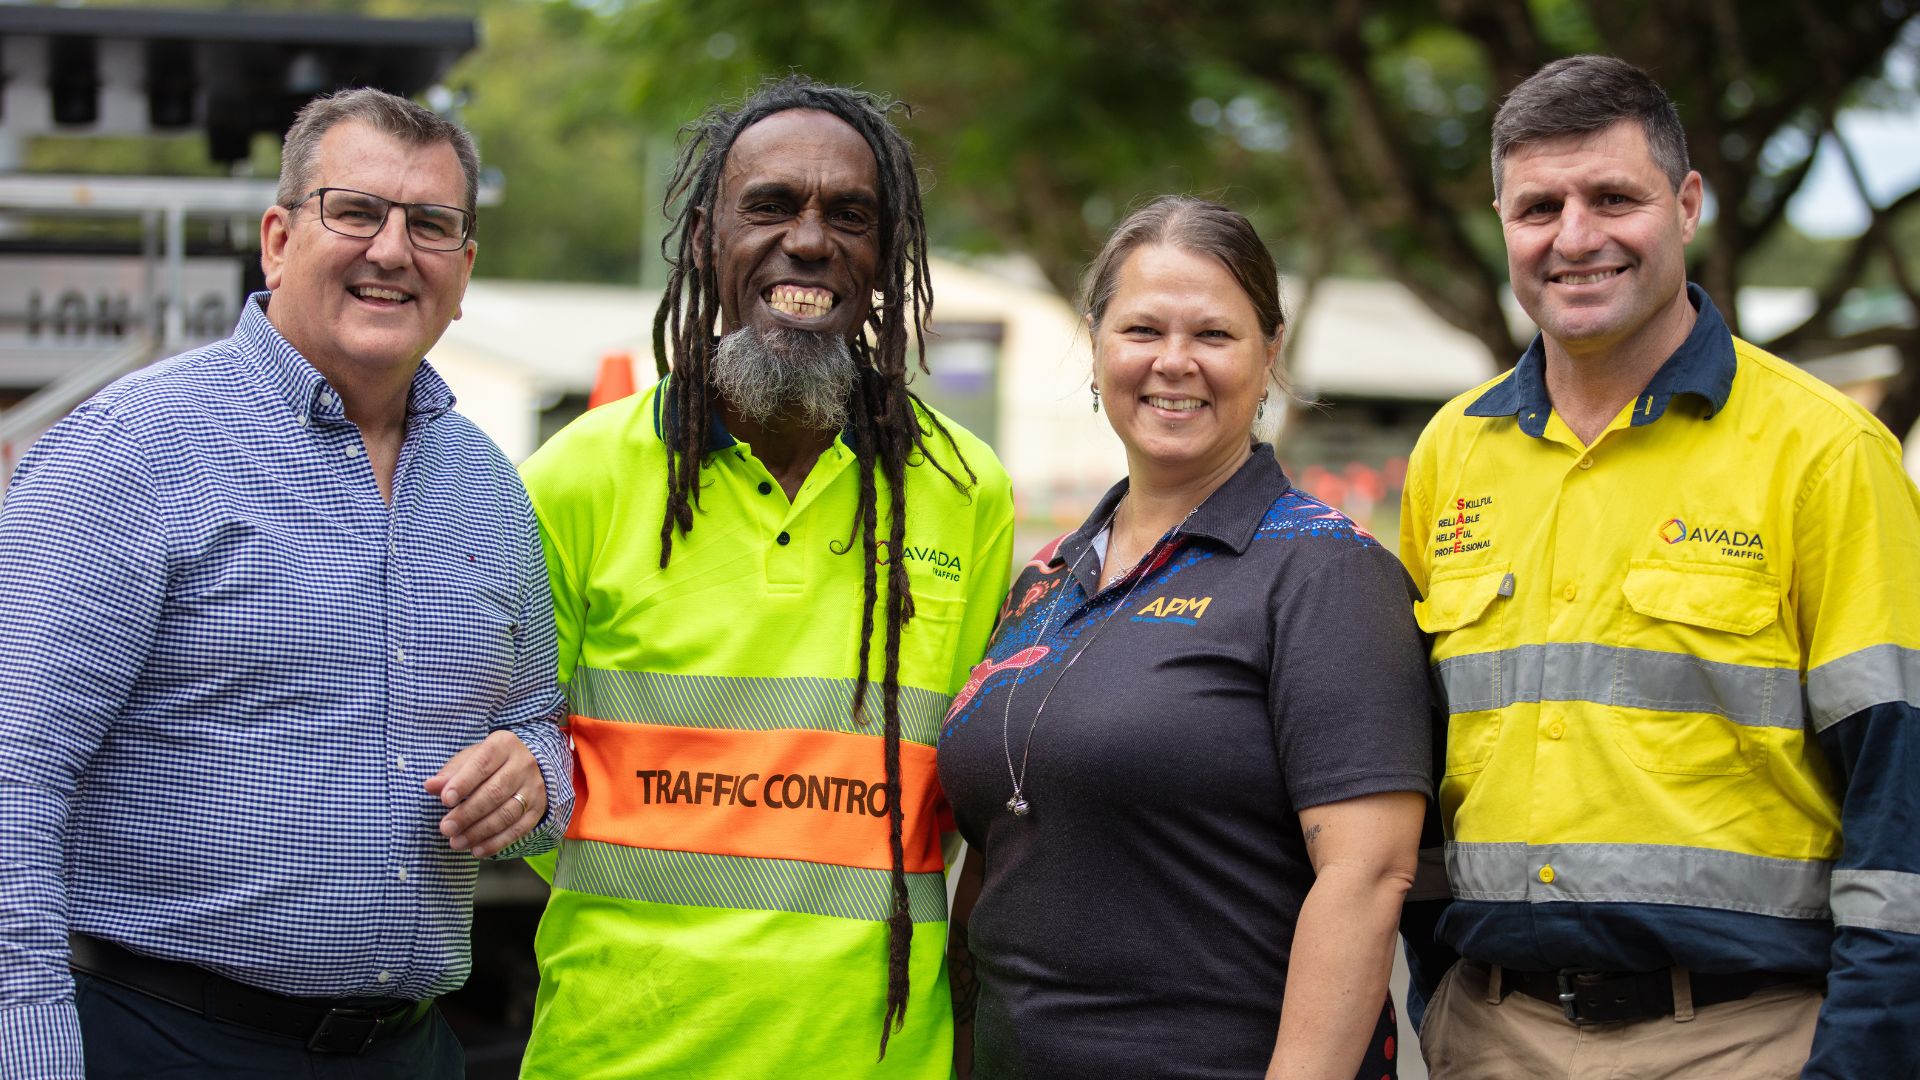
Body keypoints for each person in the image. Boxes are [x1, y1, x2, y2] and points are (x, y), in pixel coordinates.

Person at [0, 88, 572, 1079]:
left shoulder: (490, 491)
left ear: (465, 268)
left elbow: (537, 726)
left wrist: (534, 774)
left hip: (410, 1052)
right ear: (277, 238)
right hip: (160, 1040)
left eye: (432, 224)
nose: (392, 250)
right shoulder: (134, 450)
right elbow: (14, 777)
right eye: (355, 211)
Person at [1400, 55, 1920, 1079]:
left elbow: (1900, 789)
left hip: (1746, 1042)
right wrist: (1439, 1006)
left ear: (1686, 205)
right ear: (1501, 219)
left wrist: (1861, 1059)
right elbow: (1417, 766)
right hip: (1489, 1037)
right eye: (1539, 206)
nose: (1575, 236)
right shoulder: (1450, 453)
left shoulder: (1824, 452)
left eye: (1613, 197)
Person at [515, 75, 1015, 1079]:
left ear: (888, 256)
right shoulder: (575, 478)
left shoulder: (969, 492)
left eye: (852, 215)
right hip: (615, 1055)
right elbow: (517, 780)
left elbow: (972, 802)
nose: (811, 240)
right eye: (772, 205)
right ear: (705, 238)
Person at [937, 196, 1432, 1080]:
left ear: (1269, 353)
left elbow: (1366, 879)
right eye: (1141, 329)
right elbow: (1000, 853)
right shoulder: (1044, 580)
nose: (1175, 362)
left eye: (1214, 334)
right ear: (1095, 344)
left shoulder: (1325, 572)